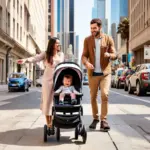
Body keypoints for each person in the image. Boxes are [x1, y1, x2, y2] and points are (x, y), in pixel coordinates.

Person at [17, 37, 64, 128]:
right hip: (47, 80)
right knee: (48, 101)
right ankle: (49, 124)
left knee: (57, 101)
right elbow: (36, 58)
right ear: (52, 44)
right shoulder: (46, 54)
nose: (59, 45)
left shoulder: (61, 54)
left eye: (59, 43)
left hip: (58, 79)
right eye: (57, 43)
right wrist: (25, 60)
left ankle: (55, 119)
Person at [81, 18, 117, 131]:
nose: (92, 30)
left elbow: (115, 54)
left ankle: (104, 120)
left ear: (100, 27)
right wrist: (86, 63)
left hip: (105, 73)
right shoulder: (87, 40)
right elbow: (84, 55)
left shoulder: (108, 38)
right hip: (92, 74)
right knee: (92, 97)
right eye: (91, 28)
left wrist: (109, 55)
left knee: (105, 95)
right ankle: (95, 118)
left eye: (94, 28)